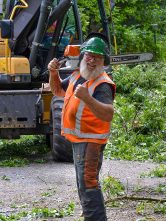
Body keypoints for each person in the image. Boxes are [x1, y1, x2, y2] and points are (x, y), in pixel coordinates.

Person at [48, 35, 115, 221]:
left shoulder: (102, 84)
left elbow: (108, 113)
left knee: (89, 184)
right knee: (83, 185)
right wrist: (53, 73)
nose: (92, 60)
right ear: (83, 55)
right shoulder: (77, 74)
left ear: (103, 61)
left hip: (91, 141)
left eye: (97, 57)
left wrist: (87, 98)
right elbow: (57, 91)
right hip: (79, 141)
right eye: (89, 55)